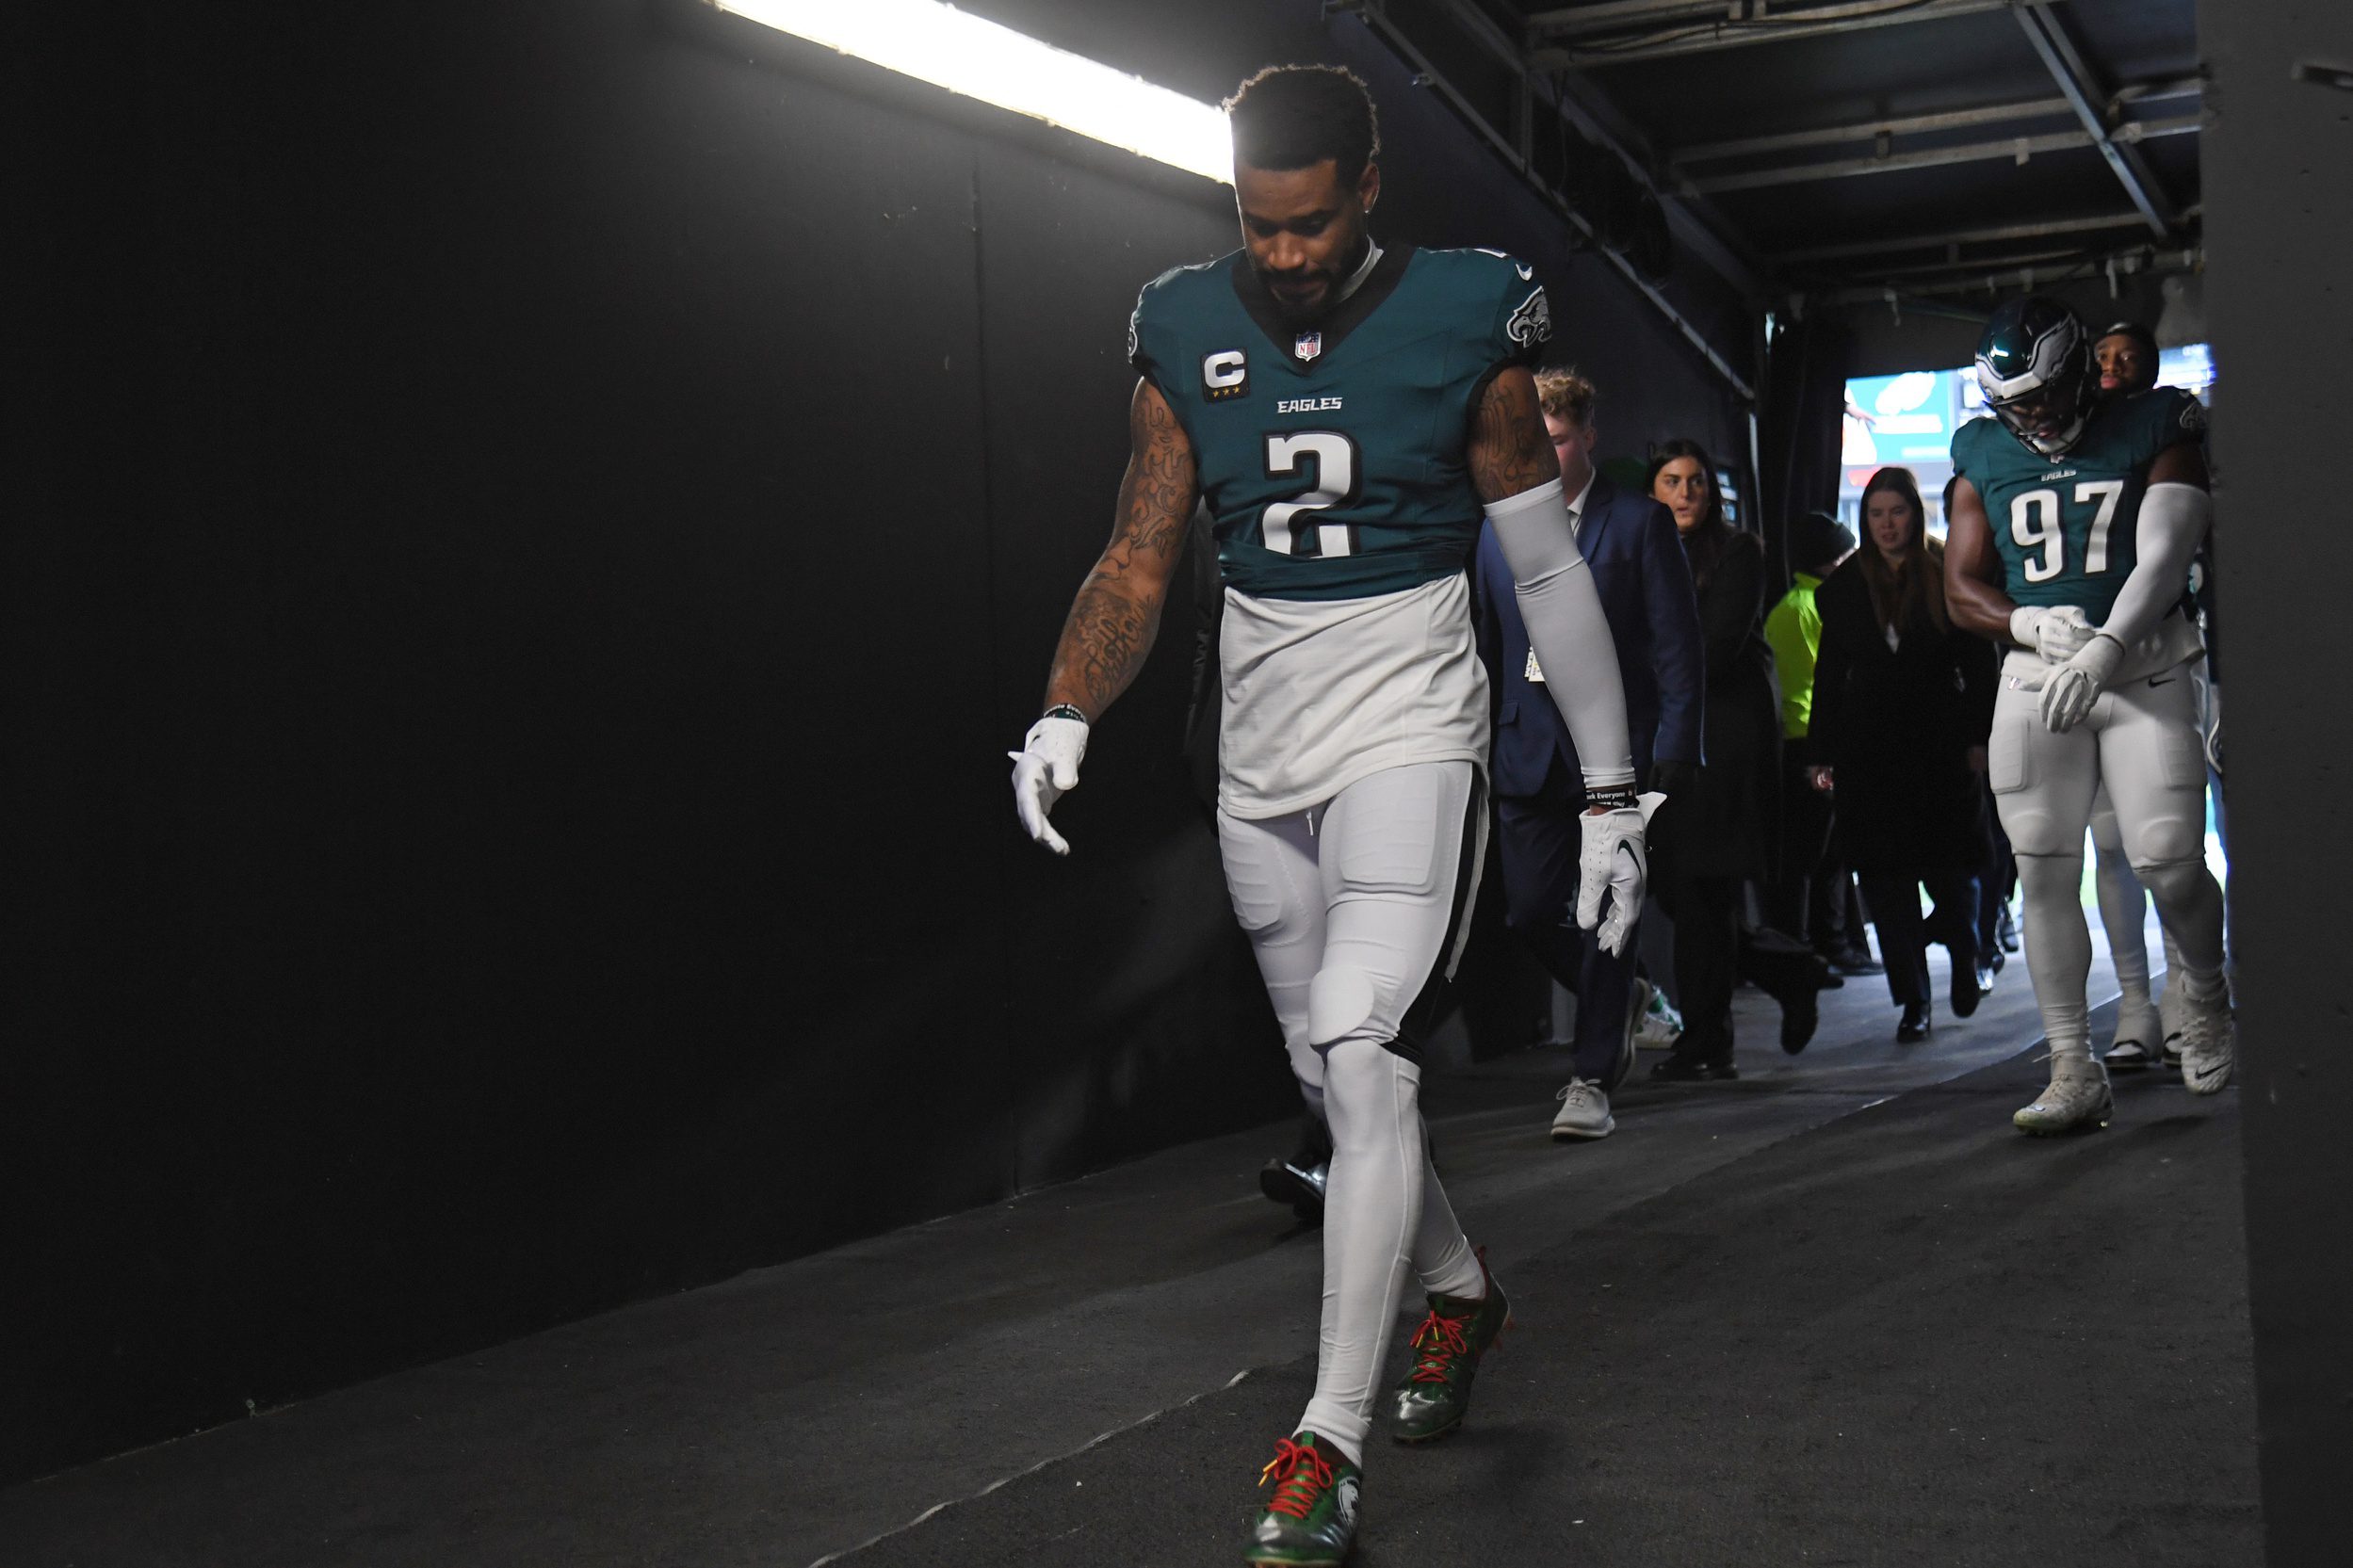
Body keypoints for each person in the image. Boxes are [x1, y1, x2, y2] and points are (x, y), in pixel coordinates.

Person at [1007, 66, 1656, 1564]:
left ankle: (1326, 1439)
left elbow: (1546, 574)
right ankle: (1462, 1292)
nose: (1284, 255)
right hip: (1257, 754)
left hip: (1411, 732)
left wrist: (1613, 795)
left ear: (1367, 190)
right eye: (1257, 225)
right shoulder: (1180, 319)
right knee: (1329, 1076)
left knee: (1366, 1054)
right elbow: (1137, 549)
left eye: (1309, 224)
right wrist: (1062, 706)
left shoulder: (1464, 317)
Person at [1944, 295, 2234, 1135]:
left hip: (2141, 661)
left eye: (2041, 395)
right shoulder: (1982, 447)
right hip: (2039, 674)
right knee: (2040, 860)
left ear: (2077, 374)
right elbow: (1960, 584)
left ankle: (2205, 995)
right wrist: (2023, 621)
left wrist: (2109, 642)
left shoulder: (2156, 421)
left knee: (2168, 853)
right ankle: (2074, 1060)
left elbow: (2169, 546)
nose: (2030, 416)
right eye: (2015, 403)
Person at [1470, 367, 1703, 1140]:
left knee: (1607, 910)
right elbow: (1487, 644)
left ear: (1587, 438)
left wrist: (1675, 746)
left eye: (1557, 439)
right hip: (1523, 748)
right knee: (1532, 909)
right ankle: (1627, 996)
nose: (1541, 453)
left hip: (1616, 753)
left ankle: (1591, 1077)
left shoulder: (1637, 524)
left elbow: (1677, 646)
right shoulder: (1493, 531)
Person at [1808, 467, 1997, 1042]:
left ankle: (1965, 957)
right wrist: (1820, 754)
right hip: (1869, 754)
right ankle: (1913, 1001)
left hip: (1939, 747)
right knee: (1886, 888)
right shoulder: (1839, 591)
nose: (1887, 525)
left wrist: (1979, 738)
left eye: (1897, 512)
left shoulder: (1946, 575)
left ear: (1915, 514)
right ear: (1864, 521)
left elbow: (1979, 663)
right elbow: (1830, 675)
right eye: (1876, 514)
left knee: (1951, 871)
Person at [1644, 440, 1785, 1079]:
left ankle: (1707, 1037)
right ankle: (1787, 970)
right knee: (1680, 887)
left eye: (1697, 481)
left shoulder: (1740, 551)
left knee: (1703, 885)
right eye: (1672, 481)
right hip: (1669, 732)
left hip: (1723, 737)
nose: (1685, 493)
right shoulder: (1642, 549)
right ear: (1652, 490)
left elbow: (1715, 646)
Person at [1764, 510, 1870, 970]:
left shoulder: (1803, 604)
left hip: (1813, 741)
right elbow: (1812, 688)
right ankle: (1814, 947)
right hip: (1811, 744)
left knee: (1824, 850)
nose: (1853, 560)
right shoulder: (1809, 607)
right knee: (1816, 852)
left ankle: (1821, 944)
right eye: (1845, 553)